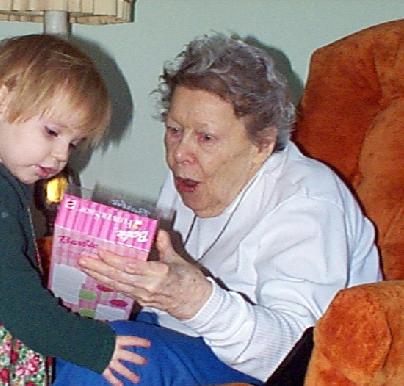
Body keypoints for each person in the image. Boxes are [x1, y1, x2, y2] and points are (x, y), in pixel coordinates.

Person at [56, 32, 382, 385]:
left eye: (206, 137)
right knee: (60, 335)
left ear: (263, 143)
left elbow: (294, 354)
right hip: (180, 331)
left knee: (103, 357)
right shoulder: (192, 174)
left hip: (259, 364)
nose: (180, 153)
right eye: (175, 130)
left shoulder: (308, 201)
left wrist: (194, 299)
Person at [0, 34, 150, 385]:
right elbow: (15, 298)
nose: (63, 155)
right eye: (52, 132)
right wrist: (94, 347)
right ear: (0, 102)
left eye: (73, 143)